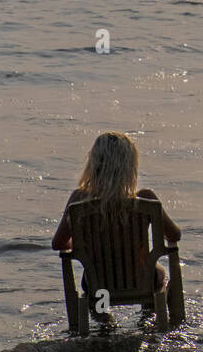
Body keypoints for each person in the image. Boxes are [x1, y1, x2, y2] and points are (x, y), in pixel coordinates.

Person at [51, 132, 181, 314]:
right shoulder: (146, 200)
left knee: (96, 285)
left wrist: (81, 244)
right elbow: (175, 235)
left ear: (93, 165)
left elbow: (58, 244)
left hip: (99, 286)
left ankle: (104, 322)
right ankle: (149, 317)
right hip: (141, 281)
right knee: (159, 274)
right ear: (130, 167)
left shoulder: (79, 200)